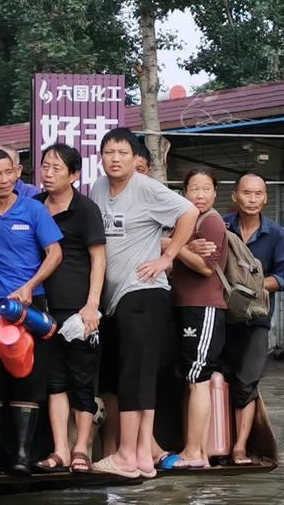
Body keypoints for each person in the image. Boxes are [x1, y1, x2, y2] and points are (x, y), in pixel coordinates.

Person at [89, 129, 197, 479]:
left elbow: (189, 212)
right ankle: (141, 458)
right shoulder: (98, 189)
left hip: (144, 292)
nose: (115, 158)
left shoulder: (145, 187)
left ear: (135, 158)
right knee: (132, 376)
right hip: (114, 299)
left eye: (121, 152)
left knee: (135, 376)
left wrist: (168, 257)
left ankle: (127, 455)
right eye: (108, 152)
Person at [0, 148, 63, 476]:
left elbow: (55, 253)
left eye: (9, 172)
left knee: (28, 375)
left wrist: (31, 286)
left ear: (18, 172)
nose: (4, 180)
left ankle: (22, 455)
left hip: (31, 305)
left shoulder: (33, 209)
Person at [198, 172, 284, 465]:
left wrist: (249, 286)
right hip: (218, 315)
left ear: (265, 198)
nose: (252, 199)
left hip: (256, 321)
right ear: (235, 196)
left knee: (246, 383)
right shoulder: (219, 225)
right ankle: (210, 444)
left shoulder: (277, 235)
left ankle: (239, 447)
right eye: (247, 193)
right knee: (210, 377)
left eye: (258, 194)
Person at [35, 143, 105, 474]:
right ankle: (60, 449)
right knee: (54, 380)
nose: (48, 174)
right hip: (42, 309)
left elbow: (98, 258)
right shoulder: (34, 206)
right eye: (45, 167)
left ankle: (82, 449)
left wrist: (92, 305)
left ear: (75, 175)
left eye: (56, 168)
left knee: (81, 379)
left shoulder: (85, 209)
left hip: (78, 309)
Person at [160, 168, 229, 470]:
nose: (199, 195)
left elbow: (206, 268)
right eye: (193, 189)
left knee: (198, 379)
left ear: (215, 193)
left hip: (205, 307)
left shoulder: (211, 221)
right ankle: (195, 451)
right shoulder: (189, 221)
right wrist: (183, 246)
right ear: (184, 192)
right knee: (191, 378)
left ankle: (194, 453)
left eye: (205, 189)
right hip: (187, 306)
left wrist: (172, 247)